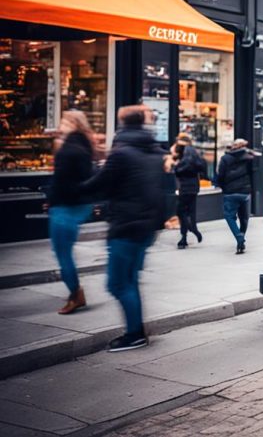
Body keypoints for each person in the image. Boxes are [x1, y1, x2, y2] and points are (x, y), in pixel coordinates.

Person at [79, 105, 165, 352]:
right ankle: (135, 329)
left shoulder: (122, 154)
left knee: (117, 283)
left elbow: (98, 185)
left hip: (126, 227)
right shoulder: (153, 151)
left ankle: (134, 334)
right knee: (130, 280)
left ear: (122, 124)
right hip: (145, 228)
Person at [47, 111, 97, 315]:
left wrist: (51, 198)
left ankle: (76, 294)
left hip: (65, 207)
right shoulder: (83, 145)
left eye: (66, 121)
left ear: (75, 124)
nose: (62, 124)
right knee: (63, 252)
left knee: (62, 253)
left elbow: (63, 181)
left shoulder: (69, 150)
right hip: (75, 205)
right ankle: (75, 293)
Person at [217, 138, 255, 255]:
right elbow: (253, 173)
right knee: (244, 218)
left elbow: (220, 176)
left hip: (230, 192)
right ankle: (241, 238)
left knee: (229, 216)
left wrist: (223, 187)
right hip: (245, 192)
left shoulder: (225, 159)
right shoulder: (249, 158)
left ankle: (239, 237)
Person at [171, 134, 205, 249]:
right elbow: (201, 167)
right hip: (194, 187)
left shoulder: (186, 153)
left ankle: (191, 230)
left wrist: (175, 167)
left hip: (185, 187)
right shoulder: (194, 153)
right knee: (190, 211)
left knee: (180, 211)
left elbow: (180, 169)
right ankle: (184, 238)